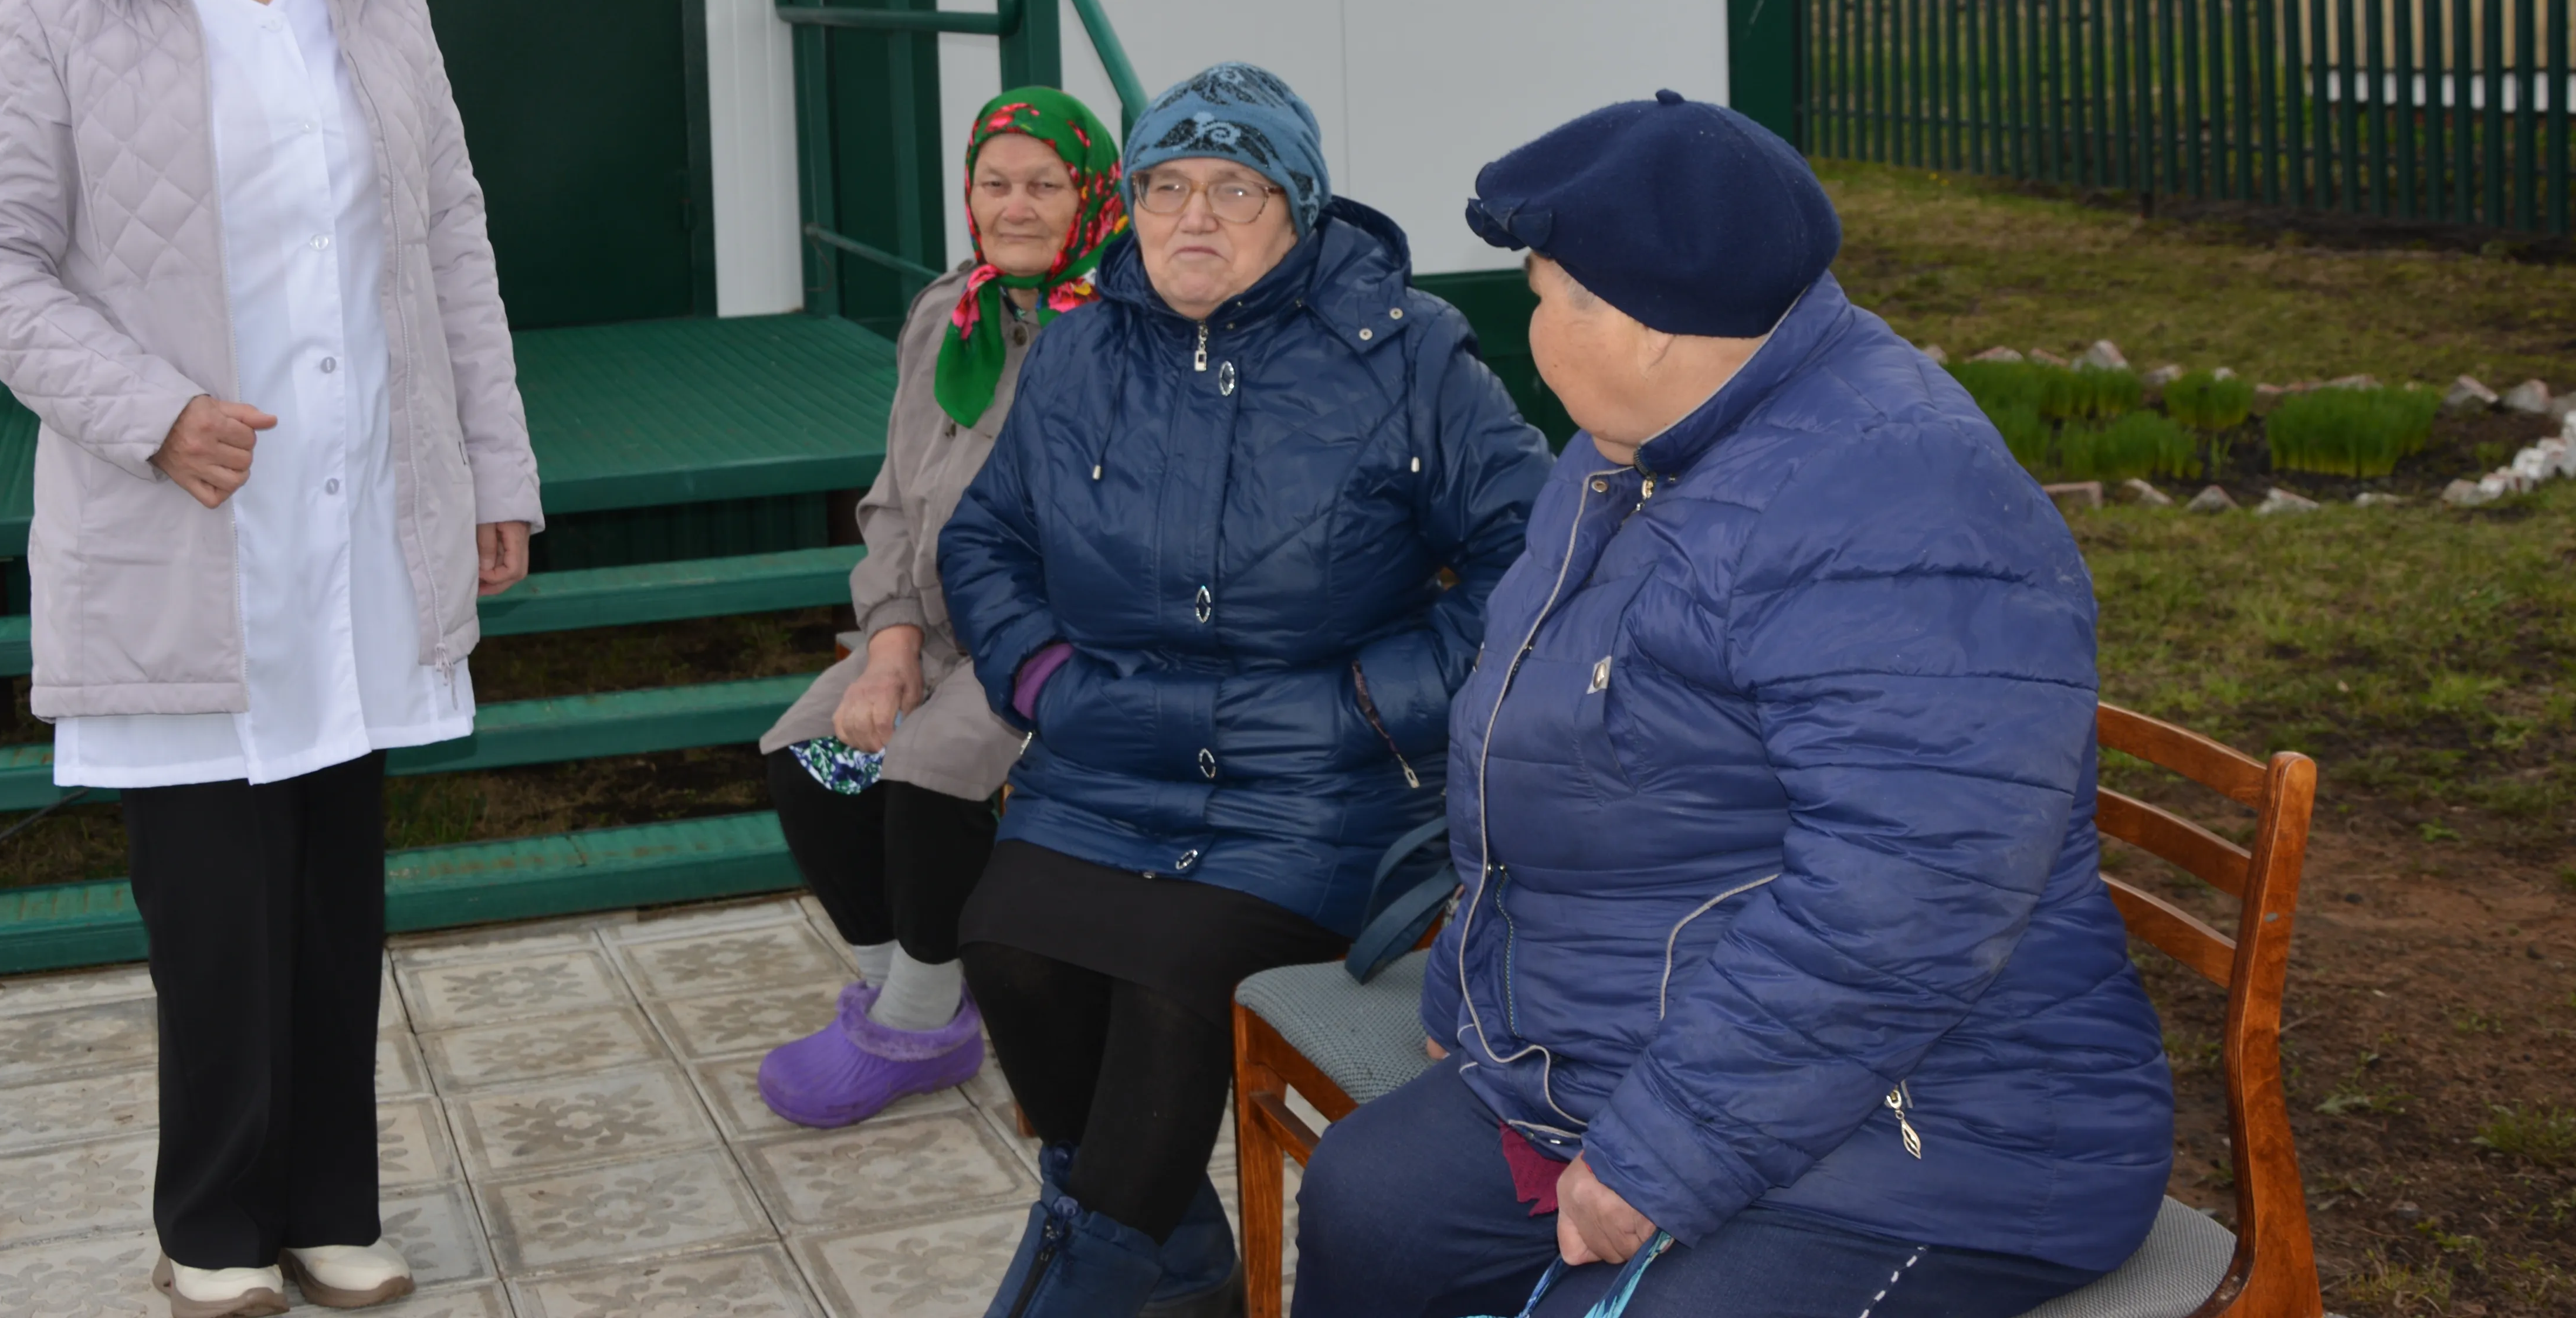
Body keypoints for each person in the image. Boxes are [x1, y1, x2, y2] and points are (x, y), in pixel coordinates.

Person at [1290, 92, 2175, 1318]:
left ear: (1646, 326)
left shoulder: (1897, 502)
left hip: (1942, 1123)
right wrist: (1469, 998)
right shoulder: (1632, 448)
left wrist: (1661, 1155)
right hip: (1645, 1047)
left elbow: (1902, 899)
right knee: (1370, 1203)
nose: (1531, 326)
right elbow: (1536, 755)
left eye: (1545, 295)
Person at [0, 0, 541, 1318]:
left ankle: (332, 1206)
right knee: (214, 914)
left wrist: (495, 469)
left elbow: (452, 240)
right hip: (184, 523)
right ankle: (210, 1221)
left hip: (359, 515)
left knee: (336, 898)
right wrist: (155, 416)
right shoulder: (60, 9)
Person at [936, 63, 1554, 1318]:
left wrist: (1369, 703)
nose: (1194, 219)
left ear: (1301, 206)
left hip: (1315, 789)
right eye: (1166, 187)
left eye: (1236, 188)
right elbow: (987, 537)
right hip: (1105, 759)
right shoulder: (1080, 348)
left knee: (1172, 987)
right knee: (1006, 948)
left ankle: (1105, 1271)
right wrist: (1044, 678)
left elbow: (1533, 550)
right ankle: (1182, 1267)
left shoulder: (1407, 348)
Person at [751, 86, 1128, 1127]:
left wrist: (968, 650)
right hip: (931, 622)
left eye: (1045, 185)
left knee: (927, 767)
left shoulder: (1119, 332)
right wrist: (891, 643)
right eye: (995, 183)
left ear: (1093, 196)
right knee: (808, 755)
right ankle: (909, 996)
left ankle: (916, 1025)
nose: (1016, 207)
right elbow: (893, 498)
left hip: (1055, 634)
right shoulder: (947, 314)